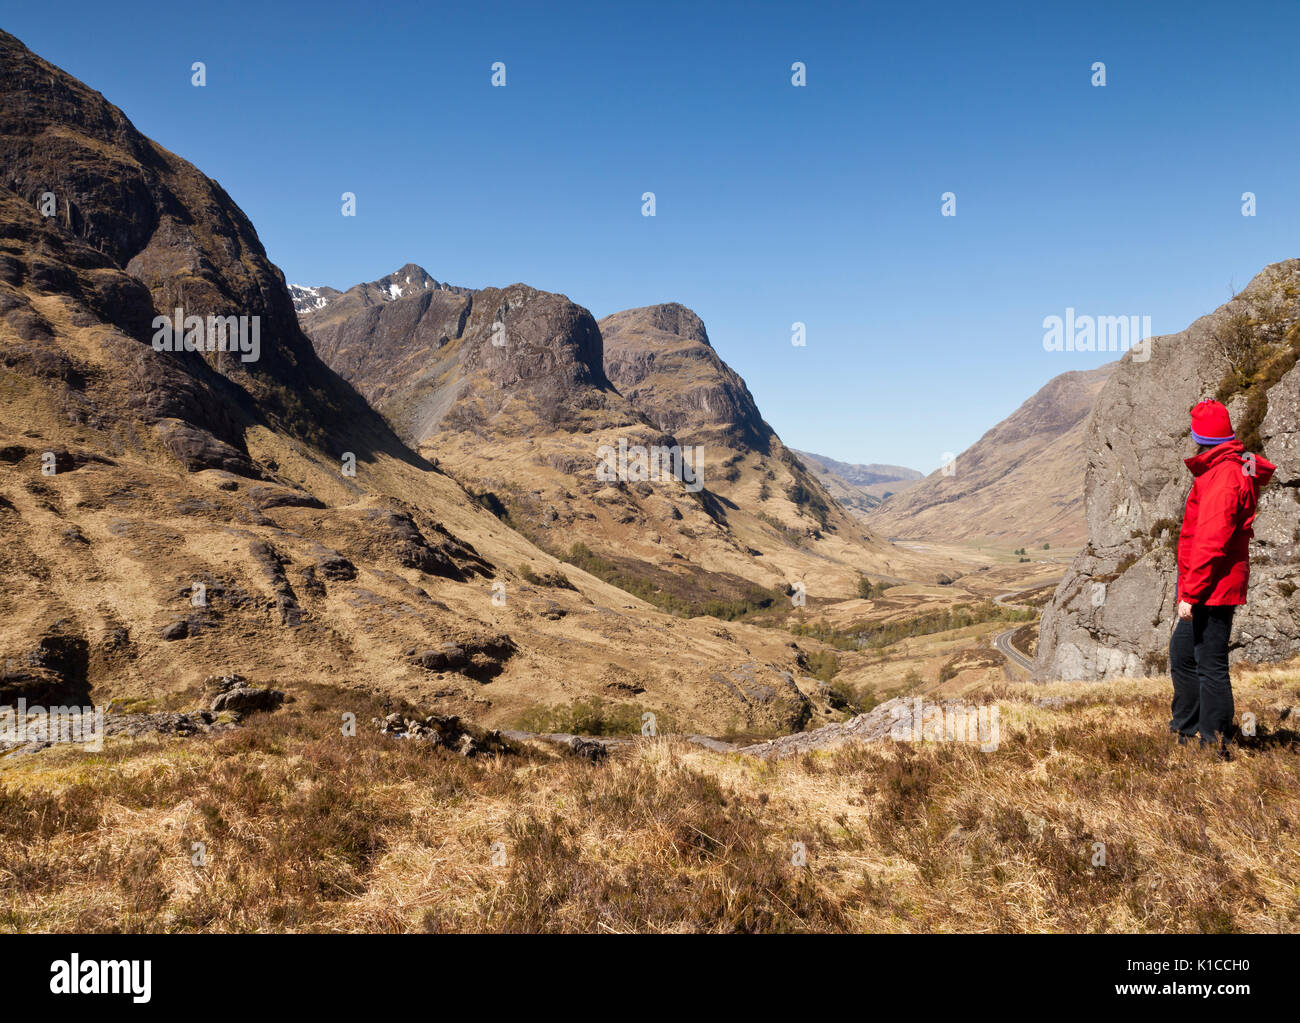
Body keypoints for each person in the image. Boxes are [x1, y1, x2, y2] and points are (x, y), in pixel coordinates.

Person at [1169, 400, 1275, 751]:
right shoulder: (1224, 468)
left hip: (1214, 586)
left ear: (1202, 438)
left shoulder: (1225, 475)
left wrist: (1191, 593)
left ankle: (1214, 743)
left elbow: (1211, 541)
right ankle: (1185, 732)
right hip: (1210, 583)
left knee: (1210, 663)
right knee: (1184, 654)